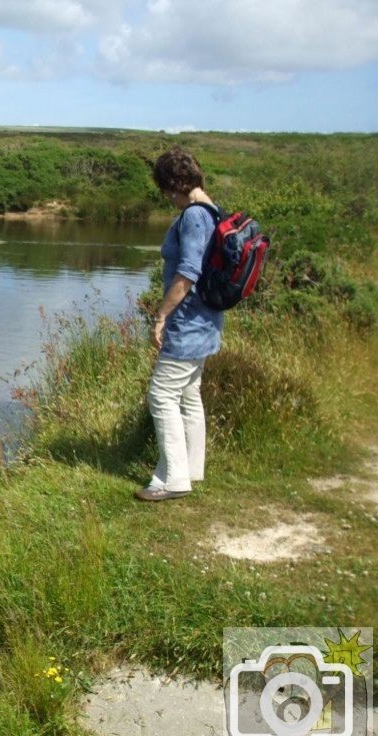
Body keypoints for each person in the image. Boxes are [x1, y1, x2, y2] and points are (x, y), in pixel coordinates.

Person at [135, 147, 223, 501]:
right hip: (206, 322)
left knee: (161, 395)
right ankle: (190, 469)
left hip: (188, 324)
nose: (167, 197)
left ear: (175, 184)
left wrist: (161, 315)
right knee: (188, 394)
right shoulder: (213, 210)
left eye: (166, 189)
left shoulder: (193, 217)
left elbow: (187, 272)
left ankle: (175, 480)